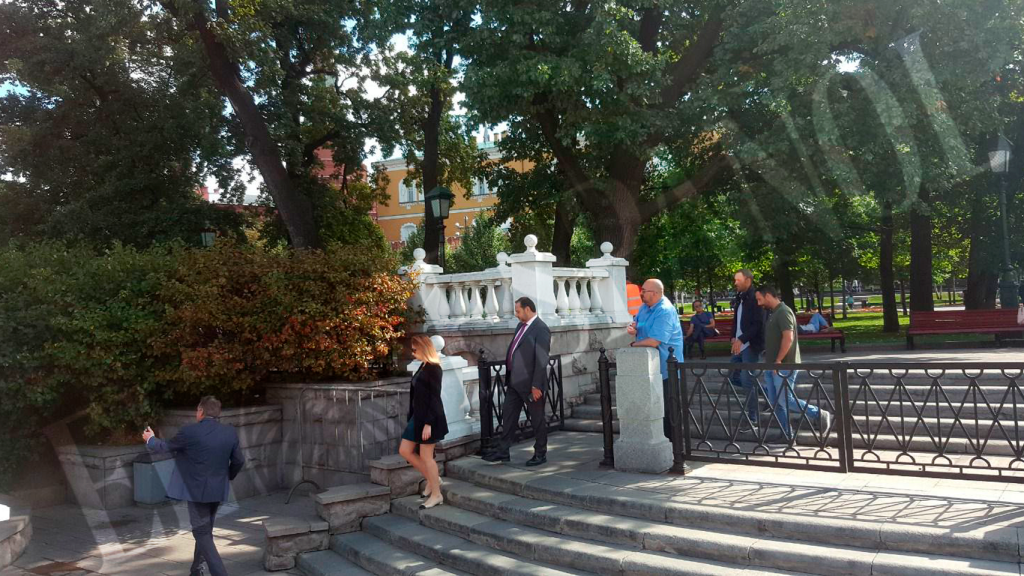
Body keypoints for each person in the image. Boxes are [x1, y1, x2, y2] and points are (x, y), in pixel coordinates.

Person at [142, 397, 245, 576]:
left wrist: (150, 439)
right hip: (218, 489)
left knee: (201, 532)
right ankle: (196, 570)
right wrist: (227, 476)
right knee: (205, 530)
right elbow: (239, 461)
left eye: (197, 410)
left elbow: (165, 447)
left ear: (201, 411)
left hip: (197, 491)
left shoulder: (190, 431)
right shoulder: (229, 432)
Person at [484, 297, 552, 466]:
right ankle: (503, 451)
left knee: (537, 420)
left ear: (527, 309)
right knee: (508, 417)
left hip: (531, 385)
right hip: (514, 382)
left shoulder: (541, 329)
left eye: (518, 311)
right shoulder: (520, 326)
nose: (516, 314)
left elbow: (541, 359)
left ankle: (540, 453)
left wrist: (536, 385)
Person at [759, 286, 832, 442]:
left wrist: (778, 360)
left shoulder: (783, 312)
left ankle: (818, 414)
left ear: (768, 296)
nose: (759, 303)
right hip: (772, 365)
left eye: (760, 299)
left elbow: (788, 337)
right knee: (775, 402)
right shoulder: (774, 313)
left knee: (785, 399)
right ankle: (787, 434)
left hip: (784, 365)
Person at [627, 279, 685, 438]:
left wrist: (633, 345)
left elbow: (654, 341)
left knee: (668, 410)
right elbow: (637, 323)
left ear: (655, 293)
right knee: (651, 408)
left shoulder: (665, 310)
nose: (641, 293)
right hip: (648, 368)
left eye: (644, 291)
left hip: (667, 369)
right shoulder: (644, 307)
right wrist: (633, 328)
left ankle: (674, 446)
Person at [400, 334, 448, 509]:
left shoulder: (434, 368)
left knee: (426, 457)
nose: (412, 353)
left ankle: (436, 494)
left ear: (423, 348)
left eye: (415, 350)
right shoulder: (423, 365)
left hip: (430, 419)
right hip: (417, 418)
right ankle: (433, 479)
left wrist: (428, 424)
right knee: (405, 451)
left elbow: (435, 398)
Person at [729, 269, 765, 432]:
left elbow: (758, 324)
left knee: (747, 380)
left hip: (750, 345)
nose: (735, 283)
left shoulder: (755, 298)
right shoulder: (740, 297)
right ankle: (769, 395)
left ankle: (753, 419)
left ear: (748, 280)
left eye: (738, 280)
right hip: (739, 344)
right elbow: (736, 320)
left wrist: (742, 339)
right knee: (733, 376)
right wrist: (733, 337)